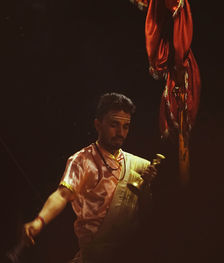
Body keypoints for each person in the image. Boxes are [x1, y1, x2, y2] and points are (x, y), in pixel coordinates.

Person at [24, 93, 159, 263]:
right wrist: (38, 222)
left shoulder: (140, 166)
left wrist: (147, 187)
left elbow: (149, 214)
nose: (121, 132)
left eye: (126, 126)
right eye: (114, 125)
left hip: (130, 254)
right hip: (94, 255)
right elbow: (62, 195)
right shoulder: (82, 160)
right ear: (98, 124)